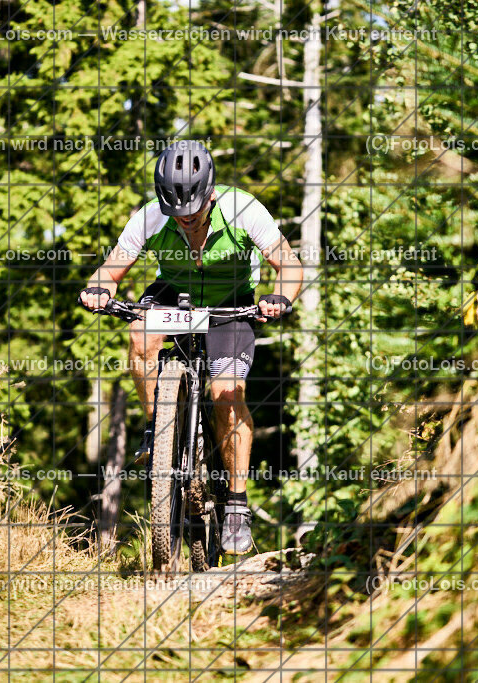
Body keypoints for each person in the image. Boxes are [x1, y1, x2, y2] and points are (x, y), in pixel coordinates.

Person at [79, 140, 303, 555]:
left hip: (231, 300)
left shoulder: (244, 210)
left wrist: (280, 297)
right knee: (140, 334)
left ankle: (236, 504)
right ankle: (158, 430)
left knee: (226, 393)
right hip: (175, 293)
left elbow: (288, 263)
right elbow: (109, 271)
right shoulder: (150, 216)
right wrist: (97, 288)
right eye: (176, 215)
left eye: (193, 214)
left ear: (211, 193)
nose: (184, 222)